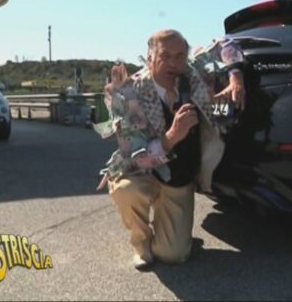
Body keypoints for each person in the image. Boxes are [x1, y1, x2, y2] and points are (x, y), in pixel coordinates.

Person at [94, 29, 246, 270]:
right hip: (141, 173)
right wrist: (171, 137)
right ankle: (141, 244)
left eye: (180, 56)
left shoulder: (190, 74)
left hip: (177, 178)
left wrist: (235, 76)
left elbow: (226, 43)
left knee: (174, 255)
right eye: (165, 56)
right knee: (126, 190)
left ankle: (172, 236)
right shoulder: (129, 94)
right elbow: (136, 155)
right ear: (150, 57)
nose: (174, 63)